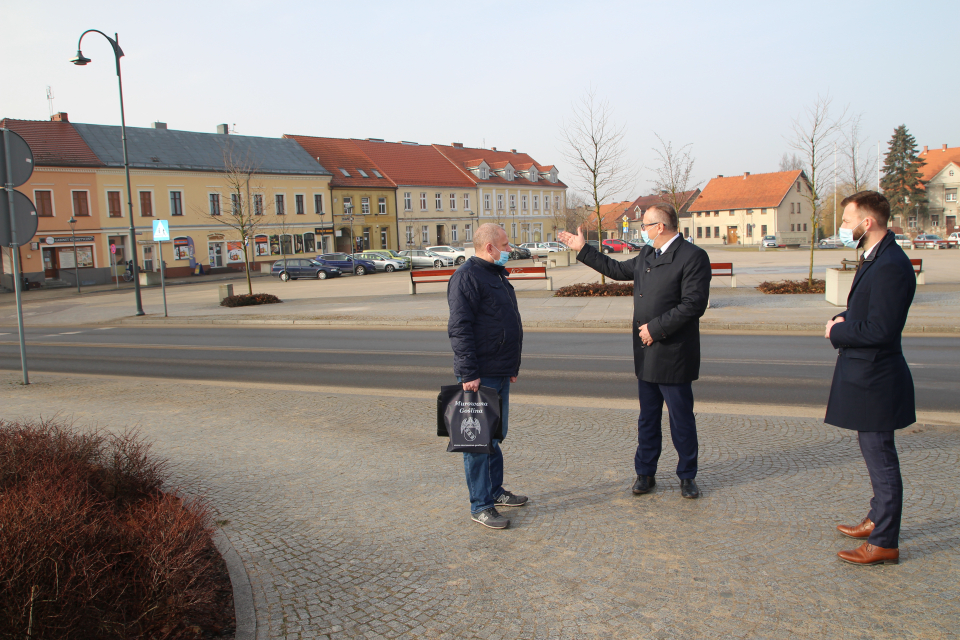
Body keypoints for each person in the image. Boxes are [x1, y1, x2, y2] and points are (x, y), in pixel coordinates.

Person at [558, 204, 711, 499]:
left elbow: (694, 304)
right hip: (646, 352)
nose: (642, 230)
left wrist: (656, 329)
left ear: (661, 227)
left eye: (645, 225)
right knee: (647, 418)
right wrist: (583, 249)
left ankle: (687, 476)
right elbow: (616, 270)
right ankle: (645, 473)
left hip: (674, 352)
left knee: (681, 419)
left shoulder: (693, 257)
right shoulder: (647, 255)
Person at [825, 191, 916, 566]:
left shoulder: (891, 263)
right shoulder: (875, 256)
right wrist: (845, 316)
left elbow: (881, 328)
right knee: (874, 454)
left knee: (882, 461)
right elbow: (867, 308)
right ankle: (876, 519)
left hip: (877, 380)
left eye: (846, 221)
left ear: (868, 223)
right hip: (865, 376)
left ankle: (883, 542)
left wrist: (837, 331)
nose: (843, 228)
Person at [447, 223, 527, 529]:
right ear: (489, 247)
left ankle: (495, 491)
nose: (510, 249)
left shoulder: (494, 275)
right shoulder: (466, 277)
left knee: (494, 436)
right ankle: (480, 505)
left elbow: (506, 324)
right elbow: (460, 328)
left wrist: (511, 368)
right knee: (477, 441)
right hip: (479, 375)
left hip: (499, 371)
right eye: (505, 245)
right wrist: (468, 373)